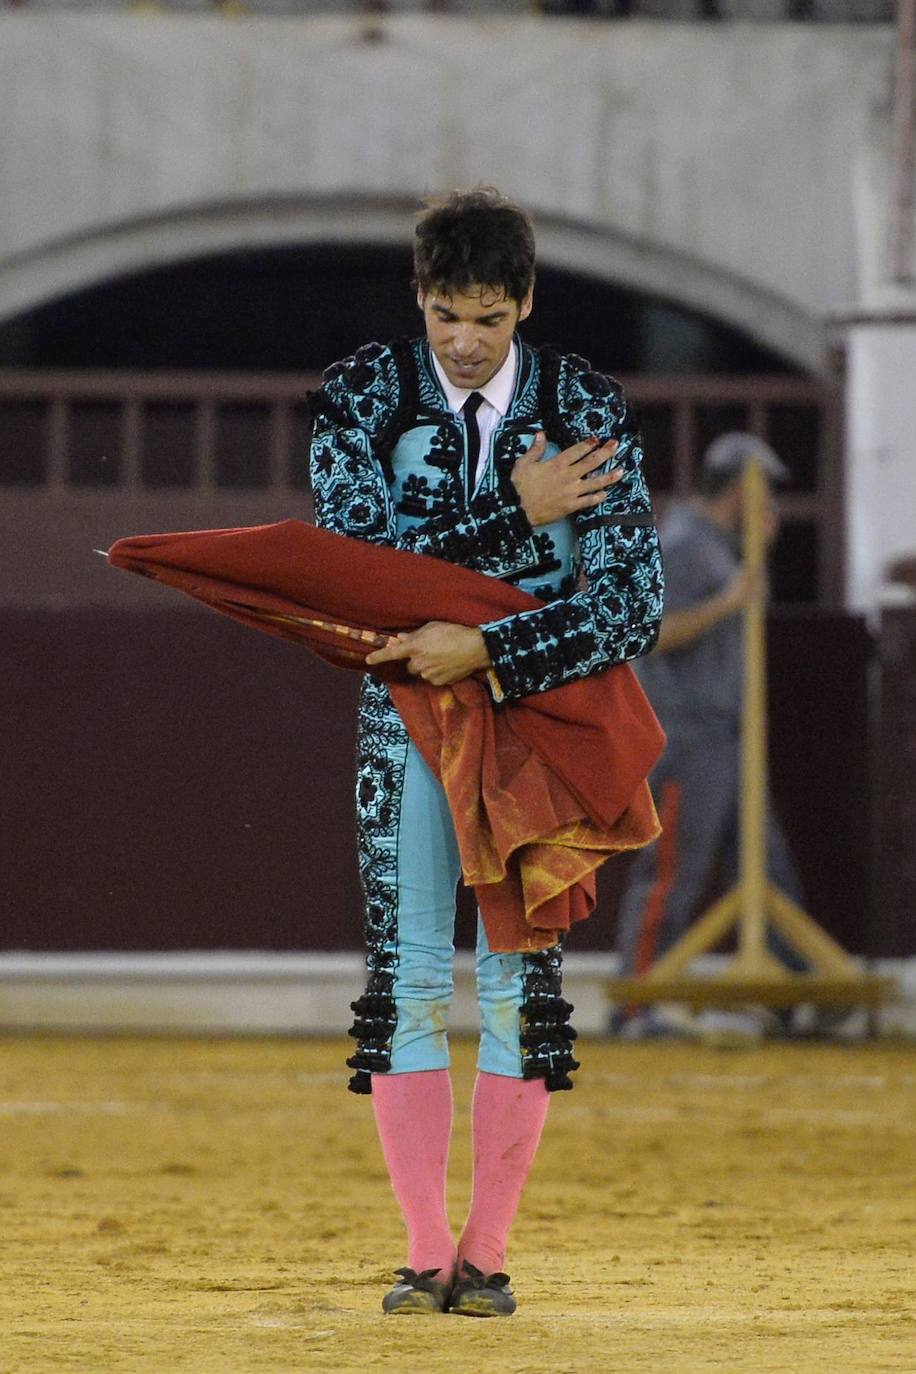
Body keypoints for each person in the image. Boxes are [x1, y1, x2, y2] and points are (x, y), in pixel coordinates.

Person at [307, 187, 663, 1316]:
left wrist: (487, 648)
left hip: (531, 720)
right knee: (407, 975)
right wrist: (515, 511)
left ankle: (487, 1255)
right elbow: (352, 571)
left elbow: (634, 606)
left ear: (525, 304)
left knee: (523, 981)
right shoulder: (362, 393)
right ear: (418, 300)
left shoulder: (587, 405)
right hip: (406, 721)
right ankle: (425, 1253)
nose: (464, 343)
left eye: (489, 320)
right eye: (446, 317)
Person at [613, 432, 806, 1038]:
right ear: (737, 490)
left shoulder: (717, 547)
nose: (770, 503)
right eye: (762, 489)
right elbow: (649, 633)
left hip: (727, 736)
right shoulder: (681, 545)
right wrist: (728, 602)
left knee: (766, 865)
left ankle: (792, 989)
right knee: (674, 869)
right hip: (687, 735)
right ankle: (634, 1005)